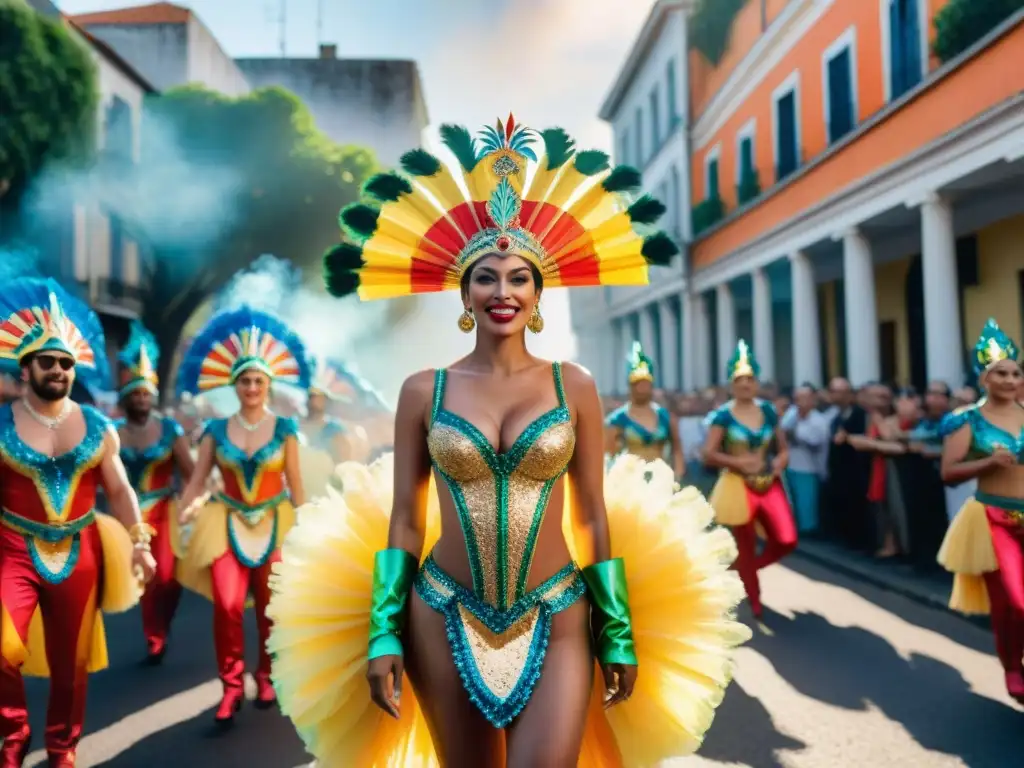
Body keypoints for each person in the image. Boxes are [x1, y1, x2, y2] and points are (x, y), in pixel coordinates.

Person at [267, 116, 750, 766]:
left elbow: (589, 513)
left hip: (560, 611)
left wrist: (617, 631)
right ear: (464, 291)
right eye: (486, 278)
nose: (503, 291)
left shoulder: (573, 386)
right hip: (441, 611)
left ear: (538, 293)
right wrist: (385, 631)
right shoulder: (423, 390)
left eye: (518, 277)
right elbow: (407, 519)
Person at [0, 279, 155, 767]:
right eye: (49, 361)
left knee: (74, 665)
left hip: (80, 552)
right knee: (2, 647)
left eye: (67, 363)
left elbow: (120, 489)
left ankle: (63, 747)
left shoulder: (97, 425)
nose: (60, 370)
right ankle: (13, 735)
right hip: (11, 548)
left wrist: (140, 542)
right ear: (26, 366)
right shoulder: (2, 422)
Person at [175, 306, 310, 725]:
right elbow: (198, 478)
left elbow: (294, 483)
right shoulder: (215, 431)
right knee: (228, 605)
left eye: (258, 380)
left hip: (275, 522)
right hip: (226, 522)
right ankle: (231, 686)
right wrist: (187, 507)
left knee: (271, 608)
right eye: (245, 380)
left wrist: (308, 524)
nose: (251, 387)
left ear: (268, 385)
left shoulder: (286, 428)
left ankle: (266, 676)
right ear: (233, 385)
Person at [936, 318, 1023, 703]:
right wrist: (985, 465)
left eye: (1015, 372)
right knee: (1014, 603)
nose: (1009, 379)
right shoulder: (967, 421)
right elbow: (948, 473)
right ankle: (1012, 666)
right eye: (1000, 372)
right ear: (984, 378)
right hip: (994, 520)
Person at [114, 321, 195, 664]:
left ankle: (165, 623)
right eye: (136, 394)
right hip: (130, 517)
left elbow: (192, 473)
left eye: (146, 393)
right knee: (148, 578)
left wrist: (191, 506)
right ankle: (154, 637)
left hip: (166, 511)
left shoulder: (169, 429)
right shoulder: (113, 433)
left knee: (168, 579)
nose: (142, 399)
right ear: (126, 397)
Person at [703, 340, 797, 620]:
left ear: (758, 382)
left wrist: (781, 461)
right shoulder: (723, 415)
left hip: (769, 483)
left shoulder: (768, 411)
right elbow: (707, 453)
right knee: (744, 546)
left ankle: (746, 570)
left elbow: (782, 449)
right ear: (731, 384)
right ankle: (754, 599)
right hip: (737, 485)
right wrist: (737, 462)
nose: (746, 384)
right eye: (740, 379)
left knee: (786, 539)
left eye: (751, 379)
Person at [604, 341, 684, 477]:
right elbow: (608, 455)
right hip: (630, 483)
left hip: (660, 481)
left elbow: (677, 448)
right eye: (637, 384)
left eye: (645, 384)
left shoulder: (665, 416)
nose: (642, 389)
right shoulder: (617, 419)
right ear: (630, 386)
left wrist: (678, 473)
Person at [780, 384, 829, 535]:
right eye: (797, 398)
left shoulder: (819, 420)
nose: (799, 402)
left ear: (813, 399)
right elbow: (781, 430)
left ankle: (810, 531)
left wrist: (792, 432)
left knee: (807, 503)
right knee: (791, 501)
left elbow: (813, 441)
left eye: (804, 398)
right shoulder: (792, 413)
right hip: (791, 464)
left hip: (810, 468)